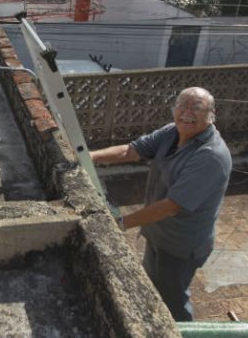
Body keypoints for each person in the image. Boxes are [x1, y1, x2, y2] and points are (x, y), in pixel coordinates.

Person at [90, 87, 231, 321]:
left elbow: (172, 206)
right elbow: (131, 150)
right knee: (153, 289)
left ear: (210, 114)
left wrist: (121, 223)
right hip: (158, 233)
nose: (187, 112)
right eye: (182, 105)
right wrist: (90, 156)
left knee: (173, 300)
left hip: (181, 244)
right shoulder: (172, 132)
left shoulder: (211, 156)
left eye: (196, 107)